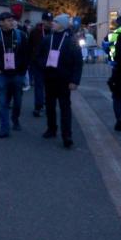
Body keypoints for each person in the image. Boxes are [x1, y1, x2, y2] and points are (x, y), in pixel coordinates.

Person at [36, 14, 83, 148]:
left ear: (62, 24)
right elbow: (38, 56)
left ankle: (67, 135)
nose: (52, 23)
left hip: (64, 80)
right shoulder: (47, 39)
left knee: (65, 108)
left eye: (56, 22)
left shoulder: (72, 41)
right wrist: (43, 66)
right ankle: (51, 129)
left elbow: (78, 63)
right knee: (50, 106)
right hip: (49, 78)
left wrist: (75, 80)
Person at [0, 12, 30, 138]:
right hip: (1, 75)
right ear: (1, 22)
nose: (12, 22)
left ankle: (15, 119)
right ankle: (4, 128)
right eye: (9, 20)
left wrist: (22, 70)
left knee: (18, 102)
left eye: (12, 20)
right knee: (2, 102)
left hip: (17, 74)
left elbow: (27, 55)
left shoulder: (21, 35)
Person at [28, 12, 53, 117]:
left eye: (51, 20)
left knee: (49, 86)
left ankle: (48, 104)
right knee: (39, 85)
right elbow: (29, 46)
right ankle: (38, 107)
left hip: (51, 63)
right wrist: (31, 60)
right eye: (47, 21)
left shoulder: (54, 31)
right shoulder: (35, 31)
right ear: (43, 21)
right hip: (38, 63)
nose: (49, 23)